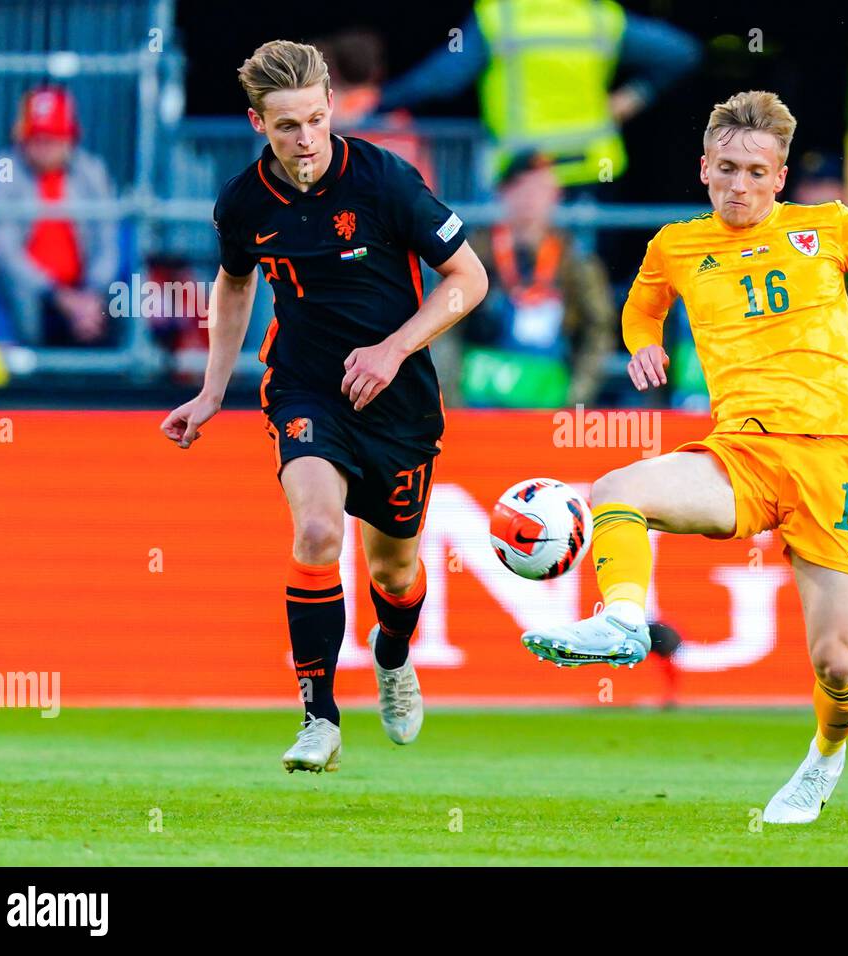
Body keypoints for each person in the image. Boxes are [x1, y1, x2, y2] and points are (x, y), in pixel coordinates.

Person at [520, 91, 848, 824]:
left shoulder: (829, 227)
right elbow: (640, 304)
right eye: (727, 169)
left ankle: (824, 758)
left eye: (757, 171)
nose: (741, 186)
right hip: (742, 455)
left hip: (839, 460)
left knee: (838, 663)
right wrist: (642, 343)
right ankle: (624, 621)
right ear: (704, 169)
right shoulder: (677, 247)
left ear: (780, 178)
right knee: (616, 485)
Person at [159, 40, 488, 774]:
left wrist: (394, 349)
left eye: (314, 120)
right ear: (257, 124)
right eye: (286, 127)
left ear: (331, 108)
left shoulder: (384, 179)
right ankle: (319, 717)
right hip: (305, 385)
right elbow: (235, 283)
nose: (305, 140)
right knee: (314, 530)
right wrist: (214, 390)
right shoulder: (243, 204)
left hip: (397, 395)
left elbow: (470, 277)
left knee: (394, 571)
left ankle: (393, 656)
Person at [376, 0, 700, 193]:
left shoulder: (500, 17)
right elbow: (682, 52)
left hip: (523, 172)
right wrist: (634, 96)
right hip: (591, 169)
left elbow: (440, 80)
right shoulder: (595, 17)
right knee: (586, 284)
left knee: (523, 283)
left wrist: (379, 100)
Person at [434, 149, 615, 408]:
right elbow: (443, 326)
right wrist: (452, 397)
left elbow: (599, 329)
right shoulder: (473, 255)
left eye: (541, 189)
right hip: (479, 407)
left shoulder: (575, 261)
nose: (531, 200)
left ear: (556, 196)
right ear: (503, 193)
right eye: (522, 188)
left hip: (550, 410)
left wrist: (577, 397)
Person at [0, 85, 120, 346]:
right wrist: (57, 295)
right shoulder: (3, 170)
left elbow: (108, 241)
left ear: (71, 138)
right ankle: (28, 377)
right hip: (32, 291)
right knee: (11, 293)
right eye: (37, 137)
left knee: (127, 287)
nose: (45, 147)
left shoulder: (91, 171)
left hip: (86, 289)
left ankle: (127, 376)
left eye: (54, 138)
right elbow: (2, 252)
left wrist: (93, 294)